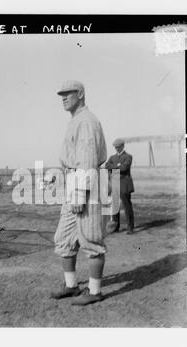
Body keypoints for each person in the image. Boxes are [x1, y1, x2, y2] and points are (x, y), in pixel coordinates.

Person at [51, 80, 107, 306]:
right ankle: (71, 286)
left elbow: (87, 161)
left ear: (81, 94)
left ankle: (94, 291)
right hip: (74, 180)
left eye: (68, 94)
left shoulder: (86, 121)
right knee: (64, 238)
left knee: (91, 237)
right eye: (61, 95)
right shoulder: (76, 120)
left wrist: (78, 192)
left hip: (86, 183)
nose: (63, 98)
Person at [105, 138, 135, 234]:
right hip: (115, 184)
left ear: (123, 146)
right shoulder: (112, 157)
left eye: (118, 147)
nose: (117, 149)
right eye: (115, 147)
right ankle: (115, 227)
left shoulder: (128, 156)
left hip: (124, 185)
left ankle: (130, 227)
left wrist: (114, 167)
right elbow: (106, 166)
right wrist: (118, 166)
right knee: (115, 207)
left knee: (127, 207)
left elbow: (124, 168)